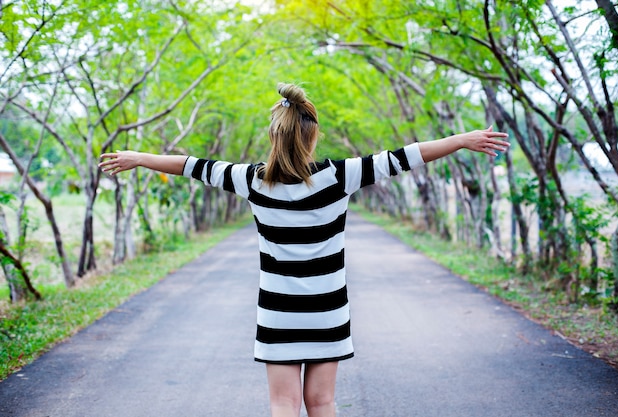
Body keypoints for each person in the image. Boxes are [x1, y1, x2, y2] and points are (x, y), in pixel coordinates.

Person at [99, 82, 509, 417]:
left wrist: (139, 157)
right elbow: (405, 157)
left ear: (273, 136)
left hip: (278, 312)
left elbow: (191, 165)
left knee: (283, 405)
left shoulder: (251, 181)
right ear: (312, 136)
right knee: (323, 403)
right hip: (328, 311)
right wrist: (461, 139)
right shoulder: (339, 176)